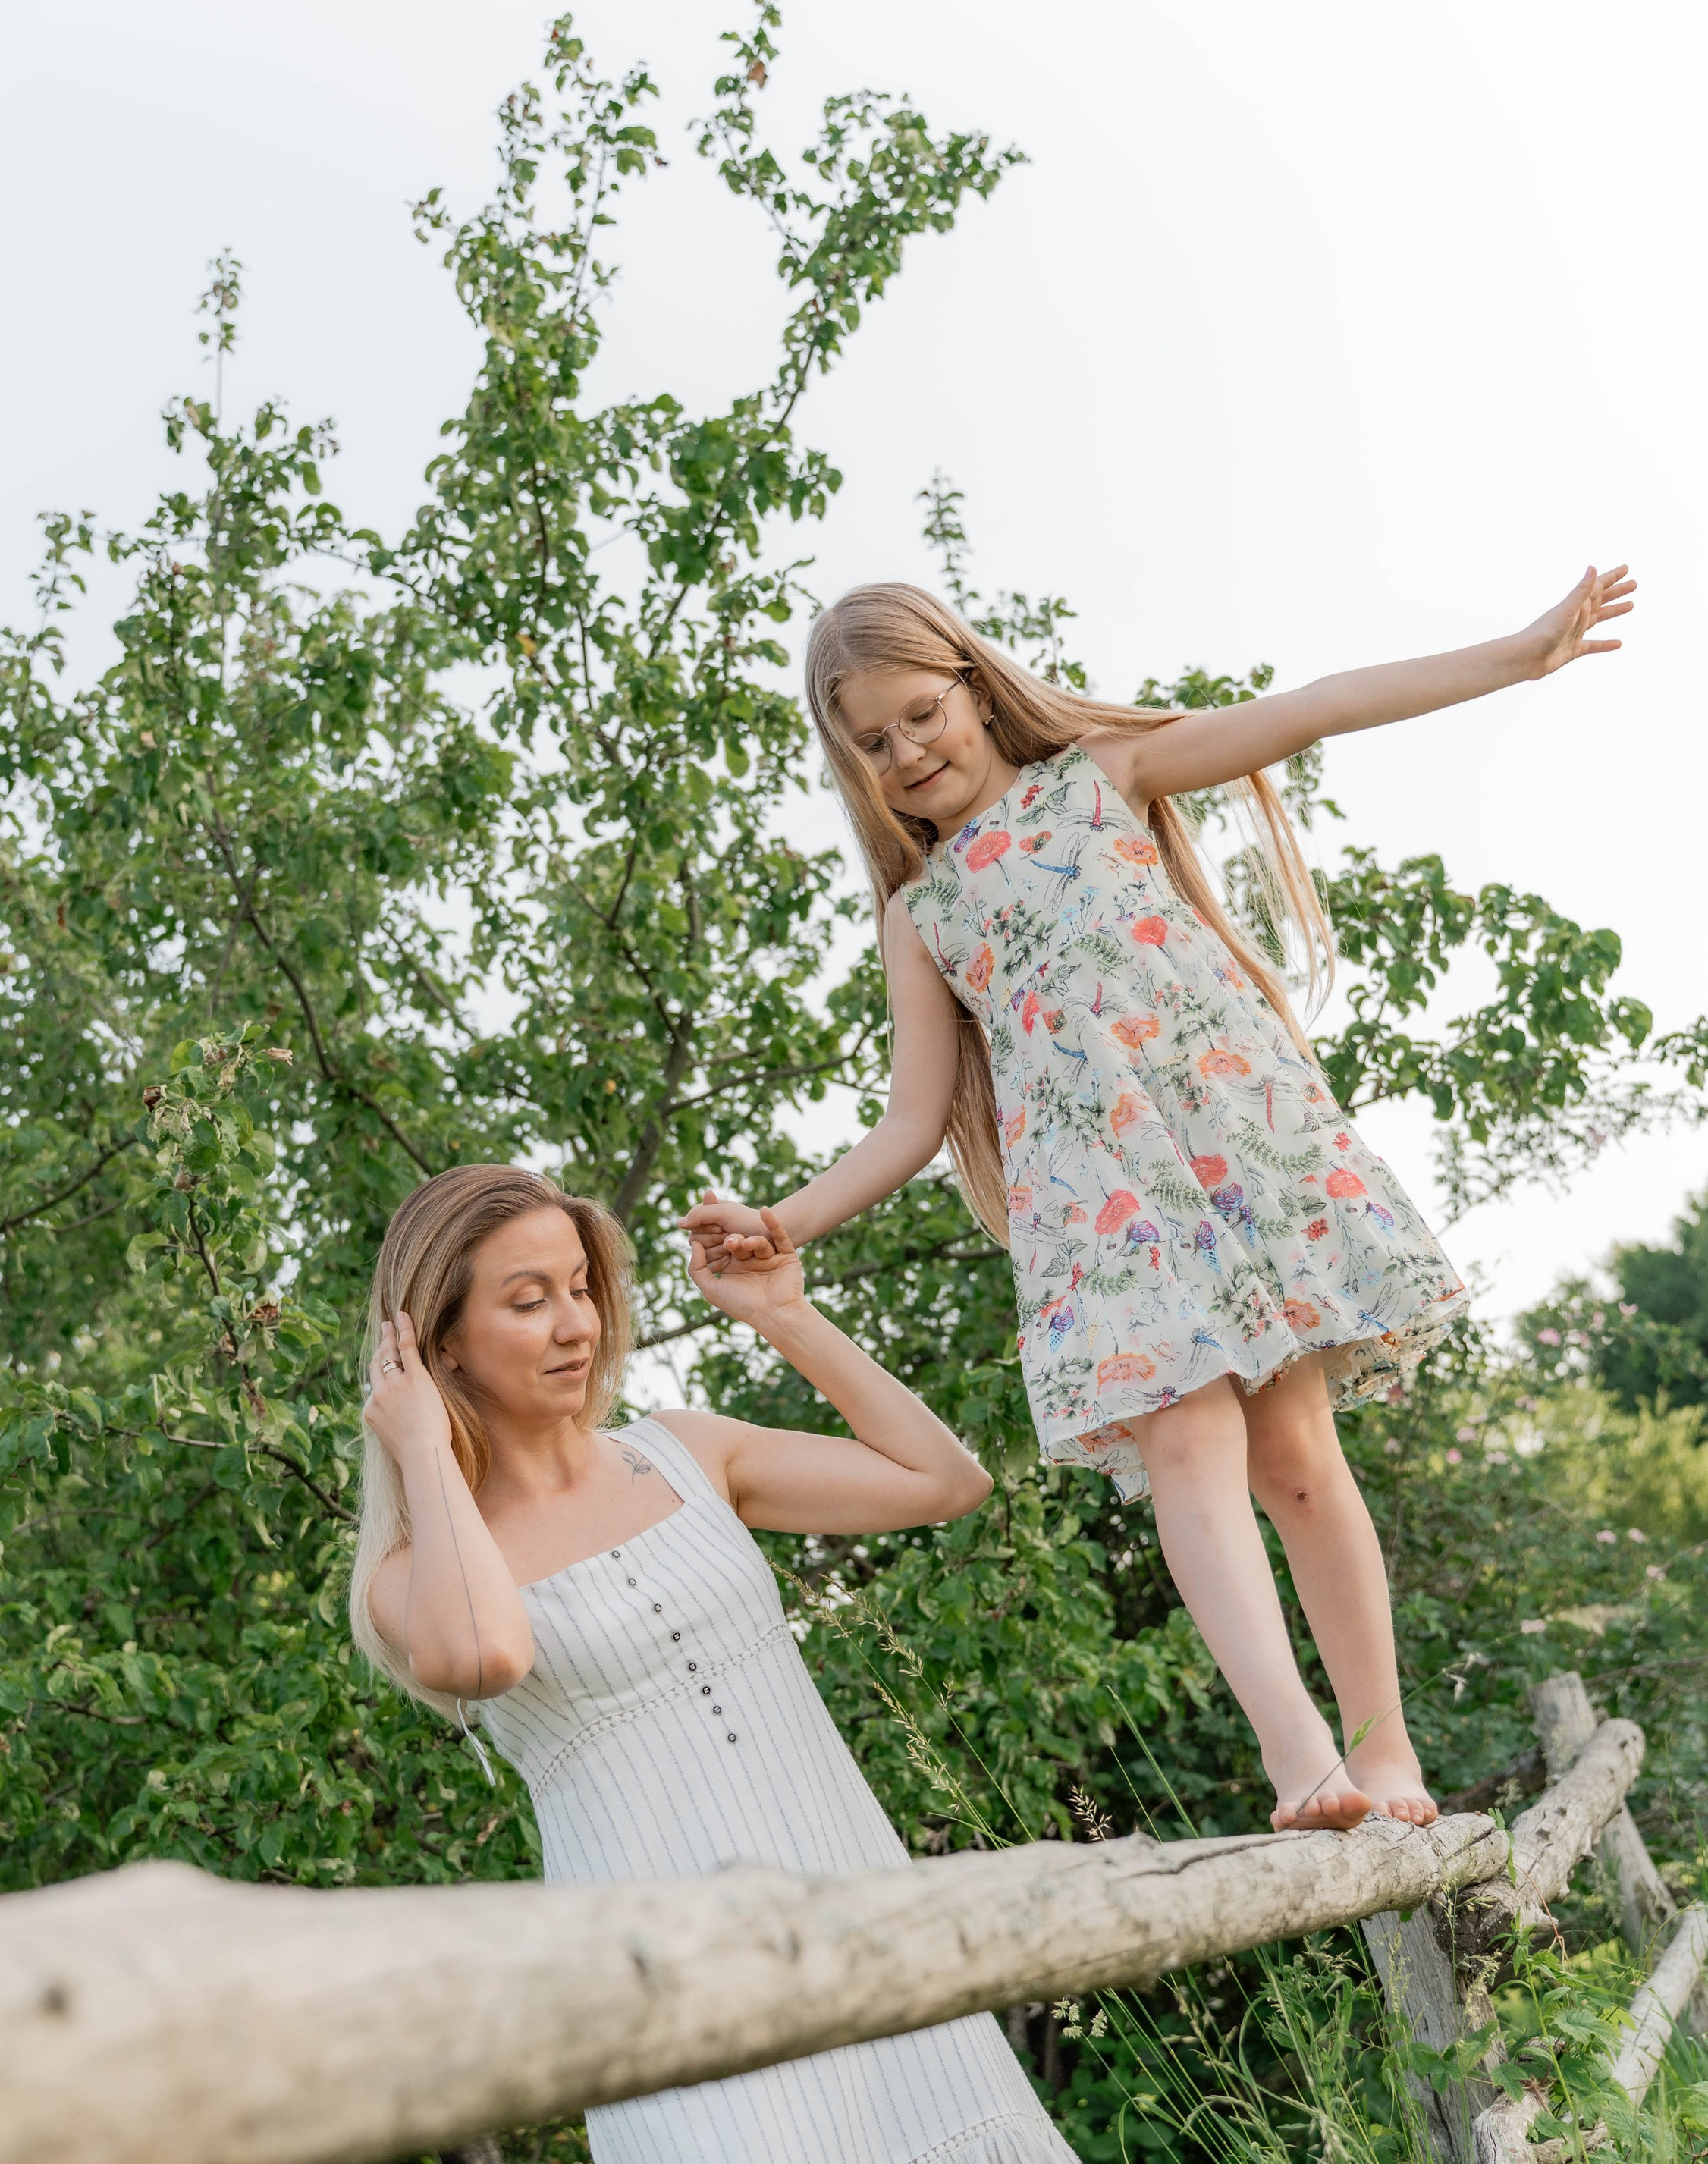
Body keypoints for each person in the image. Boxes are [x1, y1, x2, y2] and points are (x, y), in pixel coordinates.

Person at [349, 1161, 1201, 2164]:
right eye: (520, 1297)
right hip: (674, 2012)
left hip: (856, 1948)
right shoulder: (416, 1569)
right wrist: (414, 1454)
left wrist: (789, 1320)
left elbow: (938, 1478)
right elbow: (476, 1656)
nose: (568, 1322)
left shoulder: (691, 1450)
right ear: (433, 1336)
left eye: (578, 1286)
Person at [683, 568, 1634, 1834]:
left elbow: (1311, 709)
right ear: (849, 759)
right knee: (1189, 1445)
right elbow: (914, 1120)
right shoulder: (924, 915)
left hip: (1234, 1159)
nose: (908, 751)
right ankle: (1304, 1765)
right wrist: (785, 1220)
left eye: (922, 713)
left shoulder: (1103, 779)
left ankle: (1384, 1748)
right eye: (874, 740)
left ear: (971, 683)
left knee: (1298, 1459)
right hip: (1101, 1209)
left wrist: (1515, 656)